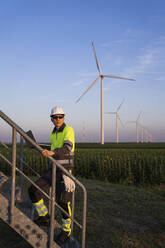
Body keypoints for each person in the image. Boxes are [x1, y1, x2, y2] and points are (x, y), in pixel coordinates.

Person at [28, 106, 75, 245]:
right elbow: (53, 147)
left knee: (63, 203)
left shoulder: (68, 130)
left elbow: (67, 147)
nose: (58, 119)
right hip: (53, 169)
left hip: (64, 171)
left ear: (64, 117)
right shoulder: (53, 132)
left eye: (60, 117)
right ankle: (44, 217)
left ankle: (66, 231)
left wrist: (52, 152)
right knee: (33, 190)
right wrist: (42, 148)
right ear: (51, 119)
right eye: (55, 117)